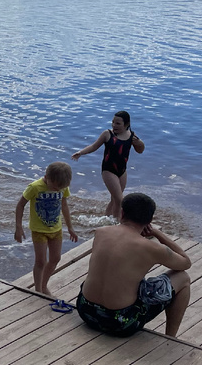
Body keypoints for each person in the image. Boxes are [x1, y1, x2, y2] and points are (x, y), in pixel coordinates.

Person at [76, 192, 191, 338]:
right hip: (120, 323)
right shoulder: (151, 248)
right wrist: (158, 234)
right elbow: (185, 263)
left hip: (86, 311)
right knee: (183, 278)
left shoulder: (101, 232)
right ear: (150, 220)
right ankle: (171, 337)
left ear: (122, 213)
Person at [15, 161, 78, 297]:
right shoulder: (35, 187)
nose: (57, 190)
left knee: (56, 258)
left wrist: (70, 228)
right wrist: (18, 227)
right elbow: (20, 205)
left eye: (59, 189)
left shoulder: (62, 186)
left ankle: (44, 286)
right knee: (41, 261)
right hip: (39, 230)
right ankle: (38, 290)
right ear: (47, 177)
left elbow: (64, 206)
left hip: (56, 229)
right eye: (54, 187)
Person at [72, 110, 145, 219]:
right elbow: (93, 146)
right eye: (113, 122)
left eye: (118, 123)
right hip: (108, 170)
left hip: (122, 171)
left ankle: (107, 219)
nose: (114, 125)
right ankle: (117, 223)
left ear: (127, 124)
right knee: (119, 199)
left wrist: (139, 143)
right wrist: (81, 152)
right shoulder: (107, 134)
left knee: (114, 199)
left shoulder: (131, 135)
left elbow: (140, 150)